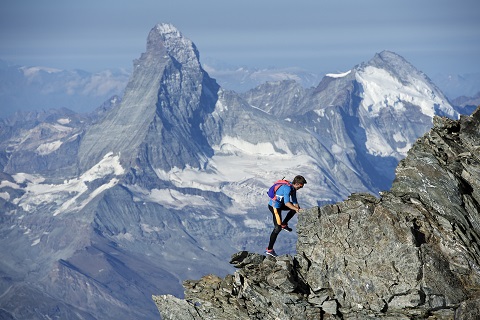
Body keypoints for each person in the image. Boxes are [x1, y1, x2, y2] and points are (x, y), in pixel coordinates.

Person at [265, 175, 307, 257]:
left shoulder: (292, 188)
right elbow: (287, 203)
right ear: (298, 184)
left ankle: (284, 224)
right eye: (301, 186)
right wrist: (296, 209)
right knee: (277, 228)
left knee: (294, 209)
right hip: (274, 207)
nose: (301, 188)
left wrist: (297, 209)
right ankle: (269, 249)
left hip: (280, 205)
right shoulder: (287, 188)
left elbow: (294, 202)